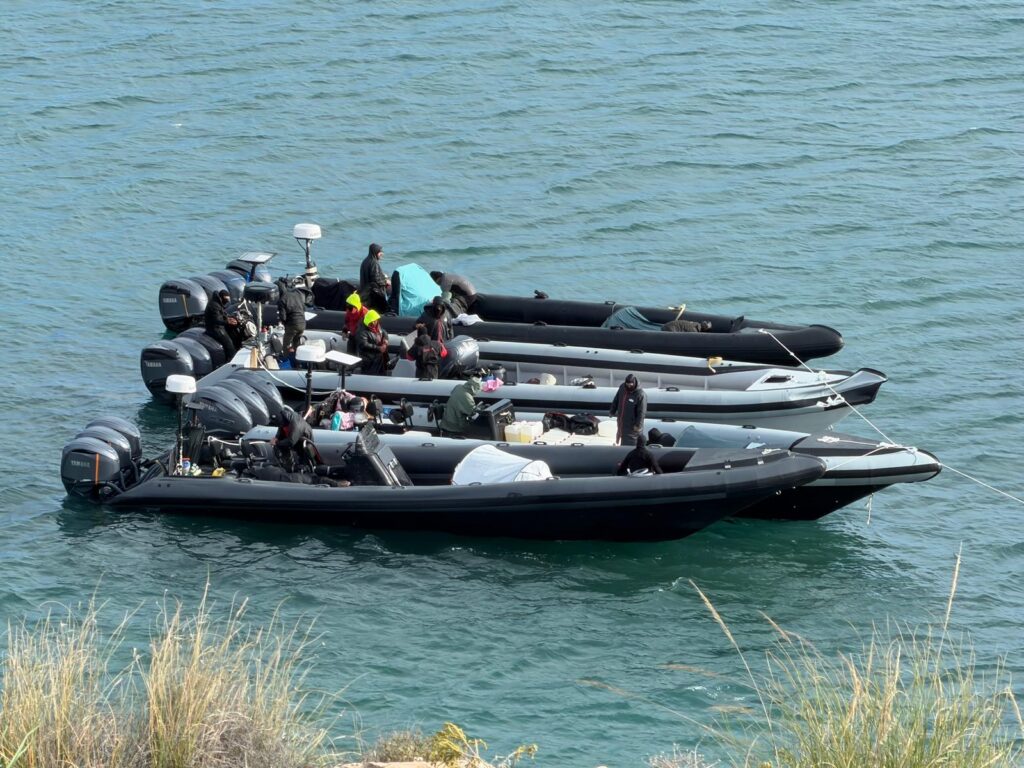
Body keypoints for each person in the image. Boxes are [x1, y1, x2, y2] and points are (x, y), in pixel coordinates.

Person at [270, 406, 314, 471]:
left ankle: (303, 467)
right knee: (279, 444)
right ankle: (286, 463)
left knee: (303, 456)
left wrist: (277, 442)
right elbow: (281, 428)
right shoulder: (285, 416)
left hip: (303, 439)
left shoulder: (296, 425)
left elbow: (291, 441)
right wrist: (276, 438)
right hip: (294, 435)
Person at [609, 373, 647, 446]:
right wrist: (612, 410)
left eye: (631, 384)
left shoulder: (640, 394)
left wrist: (638, 425)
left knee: (630, 441)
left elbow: (641, 412)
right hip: (622, 421)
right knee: (621, 435)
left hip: (632, 425)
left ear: (634, 383)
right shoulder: (622, 388)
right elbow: (616, 399)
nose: (629, 386)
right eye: (627, 384)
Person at [204, 289, 239, 359]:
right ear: (222, 297)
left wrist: (229, 318)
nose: (226, 302)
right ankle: (231, 359)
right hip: (214, 328)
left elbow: (222, 314)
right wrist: (227, 321)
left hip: (219, 325)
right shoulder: (214, 305)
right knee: (229, 344)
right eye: (226, 300)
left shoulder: (217, 302)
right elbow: (216, 319)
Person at [354, 309, 390, 376]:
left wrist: (385, 341)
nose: (374, 323)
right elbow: (363, 344)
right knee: (369, 376)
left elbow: (384, 332)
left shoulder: (378, 328)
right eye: (372, 321)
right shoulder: (362, 331)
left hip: (380, 360)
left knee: (381, 375)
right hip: (369, 360)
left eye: (375, 321)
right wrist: (379, 348)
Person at [277, 282, 308, 359]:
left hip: (293, 324)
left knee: (286, 344)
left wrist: (284, 324)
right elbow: (304, 309)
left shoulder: (282, 300)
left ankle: (286, 360)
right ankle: (297, 361)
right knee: (296, 343)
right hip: (303, 324)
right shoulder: (297, 295)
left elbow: (283, 317)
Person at [359, 243, 391, 313]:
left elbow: (371, 275)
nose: (382, 254)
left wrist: (382, 275)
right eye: (380, 252)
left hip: (365, 292)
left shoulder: (365, 261)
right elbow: (376, 280)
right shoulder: (374, 263)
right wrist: (386, 282)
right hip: (373, 295)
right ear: (375, 252)